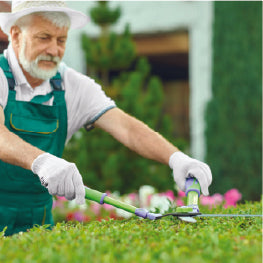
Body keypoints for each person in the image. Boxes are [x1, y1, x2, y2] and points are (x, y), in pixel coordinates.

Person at [0, 1, 212, 236]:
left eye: (61, 40)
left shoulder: (72, 86)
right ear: (16, 35)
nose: (54, 50)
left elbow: (126, 128)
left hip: (38, 220)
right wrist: (41, 161)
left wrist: (176, 158)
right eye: (44, 38)